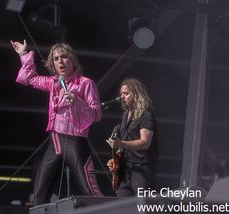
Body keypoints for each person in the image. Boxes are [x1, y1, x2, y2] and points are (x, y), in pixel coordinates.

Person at [10, 39, 103, 205]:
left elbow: (96, 114)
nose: (60, 61)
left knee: (89, 189)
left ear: (72, 60)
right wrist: (24, 54)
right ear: (52, 63)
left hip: (75, 141)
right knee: (39, 193)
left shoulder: (85, 83)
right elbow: (29, 79)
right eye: (56, 58)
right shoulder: (53, 83)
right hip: (55, 143)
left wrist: (77, 102)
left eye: (64, 57)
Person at [106, 78, 158, 197]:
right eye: (121, 94)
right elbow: (123, 143)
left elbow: (145, 142)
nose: (122, 97)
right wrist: (115, 160)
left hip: (141, 170)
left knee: (142, 206)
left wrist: (122, 144)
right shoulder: (125, 115)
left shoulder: (146, 115)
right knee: (122, 206)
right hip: (125, 170)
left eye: (126, 93)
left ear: (137, 94)